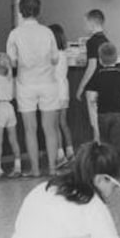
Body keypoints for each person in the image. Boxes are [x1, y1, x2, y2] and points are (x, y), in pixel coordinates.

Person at [5, 0, 60, 178]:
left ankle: (35, 169)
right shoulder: (47, 32)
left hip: (25, 84)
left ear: (20, 10)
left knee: (30, 129)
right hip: (48, 83)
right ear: (39, 10)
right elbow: (55, 58)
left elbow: (11, 63)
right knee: (50, 129)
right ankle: (52, 168)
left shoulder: (15, 34)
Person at [85, 42, 120, 154]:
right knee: (117, 145)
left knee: (105, 144)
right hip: (119, 114)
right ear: (116, 59)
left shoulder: (97, 76)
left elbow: (91, 98)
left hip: (102, 114)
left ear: (100, 60)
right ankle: (117, 167)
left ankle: (106, 166)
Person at [49, 23, 74, 166]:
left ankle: (60, 155)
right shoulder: (64, 54)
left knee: (54, 125)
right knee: (63, 123)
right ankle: (70, 152)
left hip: (54, 91)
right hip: (64, 89)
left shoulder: (52, 56)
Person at [75, 9, 108, 102]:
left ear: (91, 24)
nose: (84, 26)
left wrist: (81, 87)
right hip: (104, 85)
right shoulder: (107, 41)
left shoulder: (91, 41)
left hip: (93, 86)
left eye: (85, 23)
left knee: (94, 116)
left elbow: (92, 66)